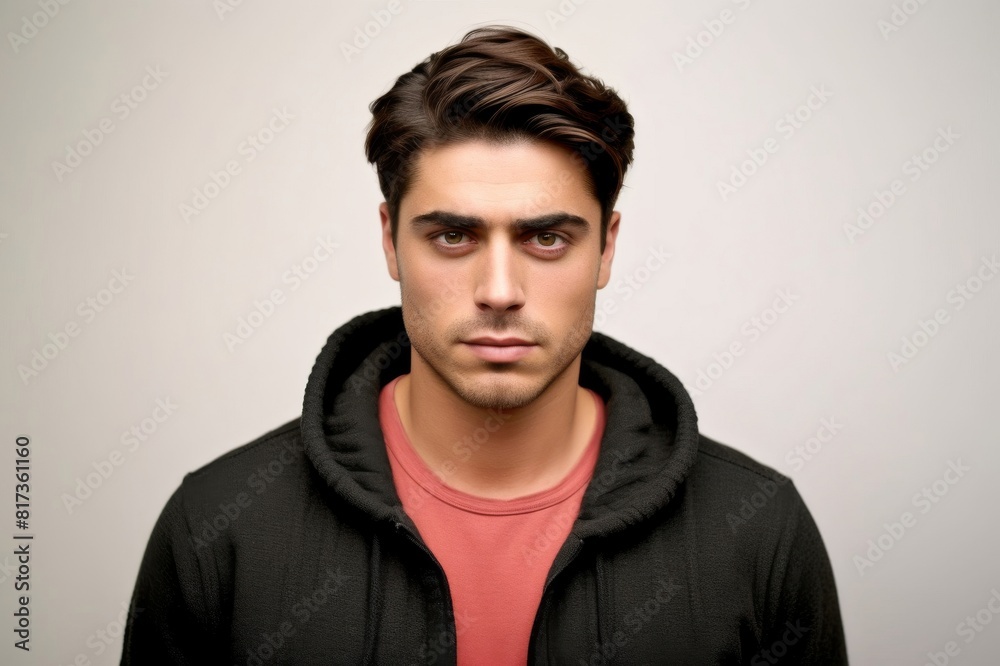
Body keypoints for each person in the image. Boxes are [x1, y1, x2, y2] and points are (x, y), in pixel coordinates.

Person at [121, 25, 847, 665]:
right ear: (390, 241)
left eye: (547, 237)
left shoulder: (756, 532)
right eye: (453, 235)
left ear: (606, 250)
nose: (499, 289)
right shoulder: (222, 529)